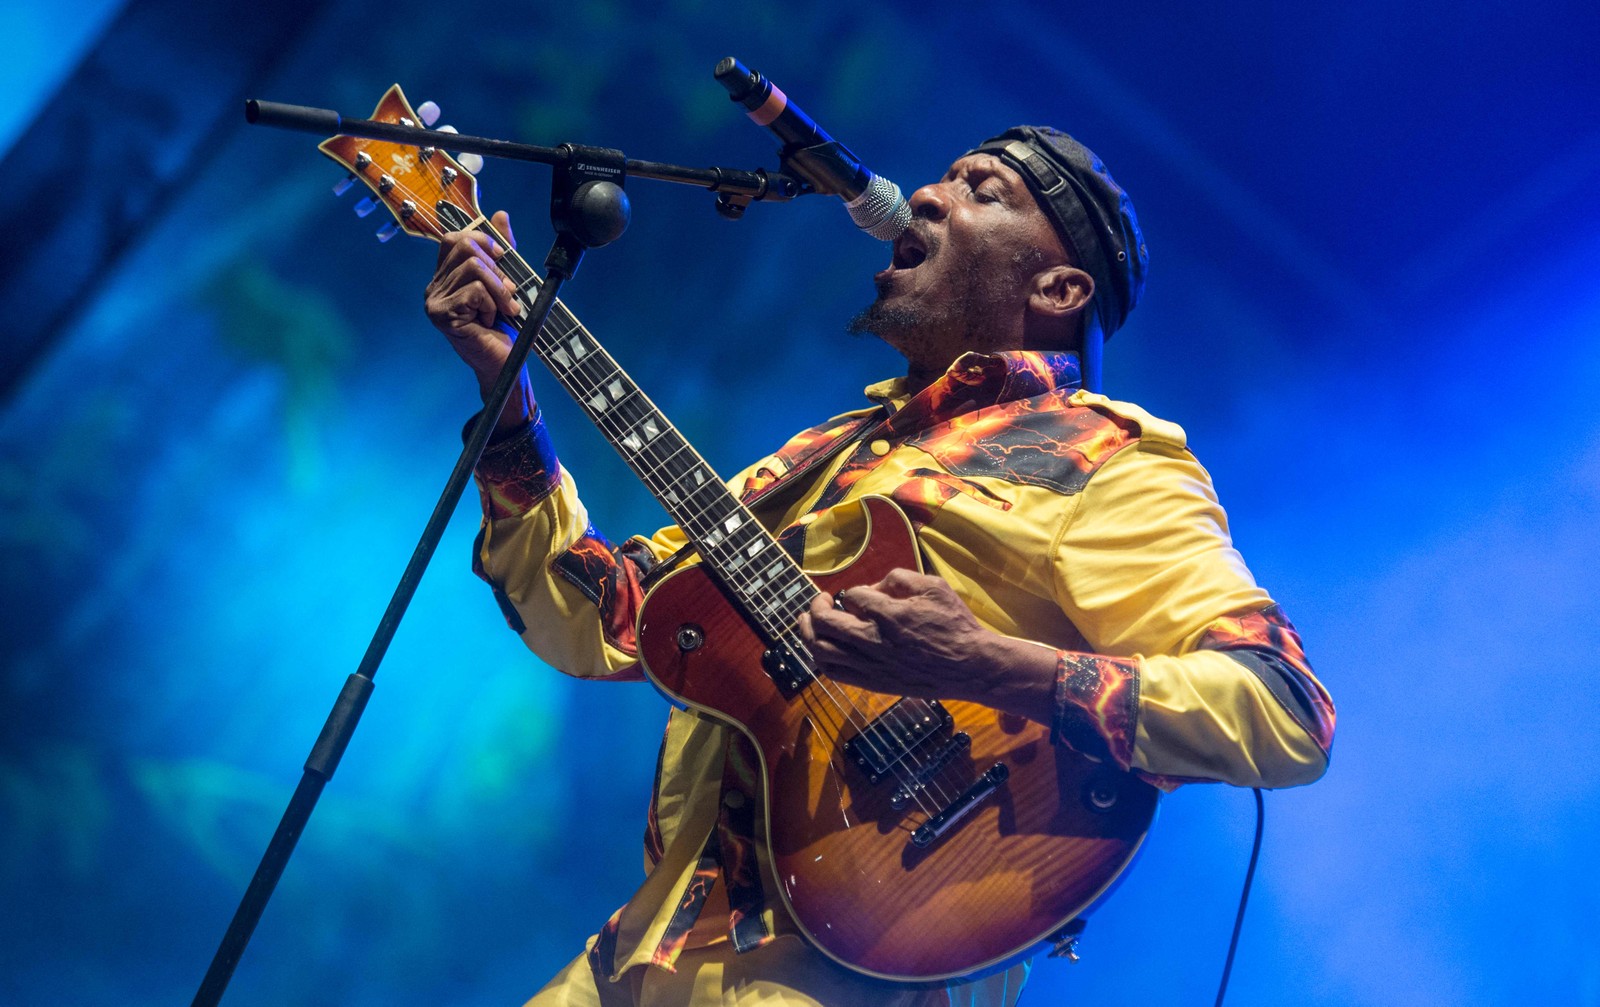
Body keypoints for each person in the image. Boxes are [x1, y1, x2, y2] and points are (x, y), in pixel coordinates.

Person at [424, 126, 1336, 1007]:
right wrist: (509, 409)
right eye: (944, 176)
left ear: (1058, 287)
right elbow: (603, 618)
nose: (929, 195)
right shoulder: (827, 450)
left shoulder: (1104, 457)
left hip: (872, 962)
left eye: (984, 191)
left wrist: (984, 663)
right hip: (649, 944)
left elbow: (1283, 708)